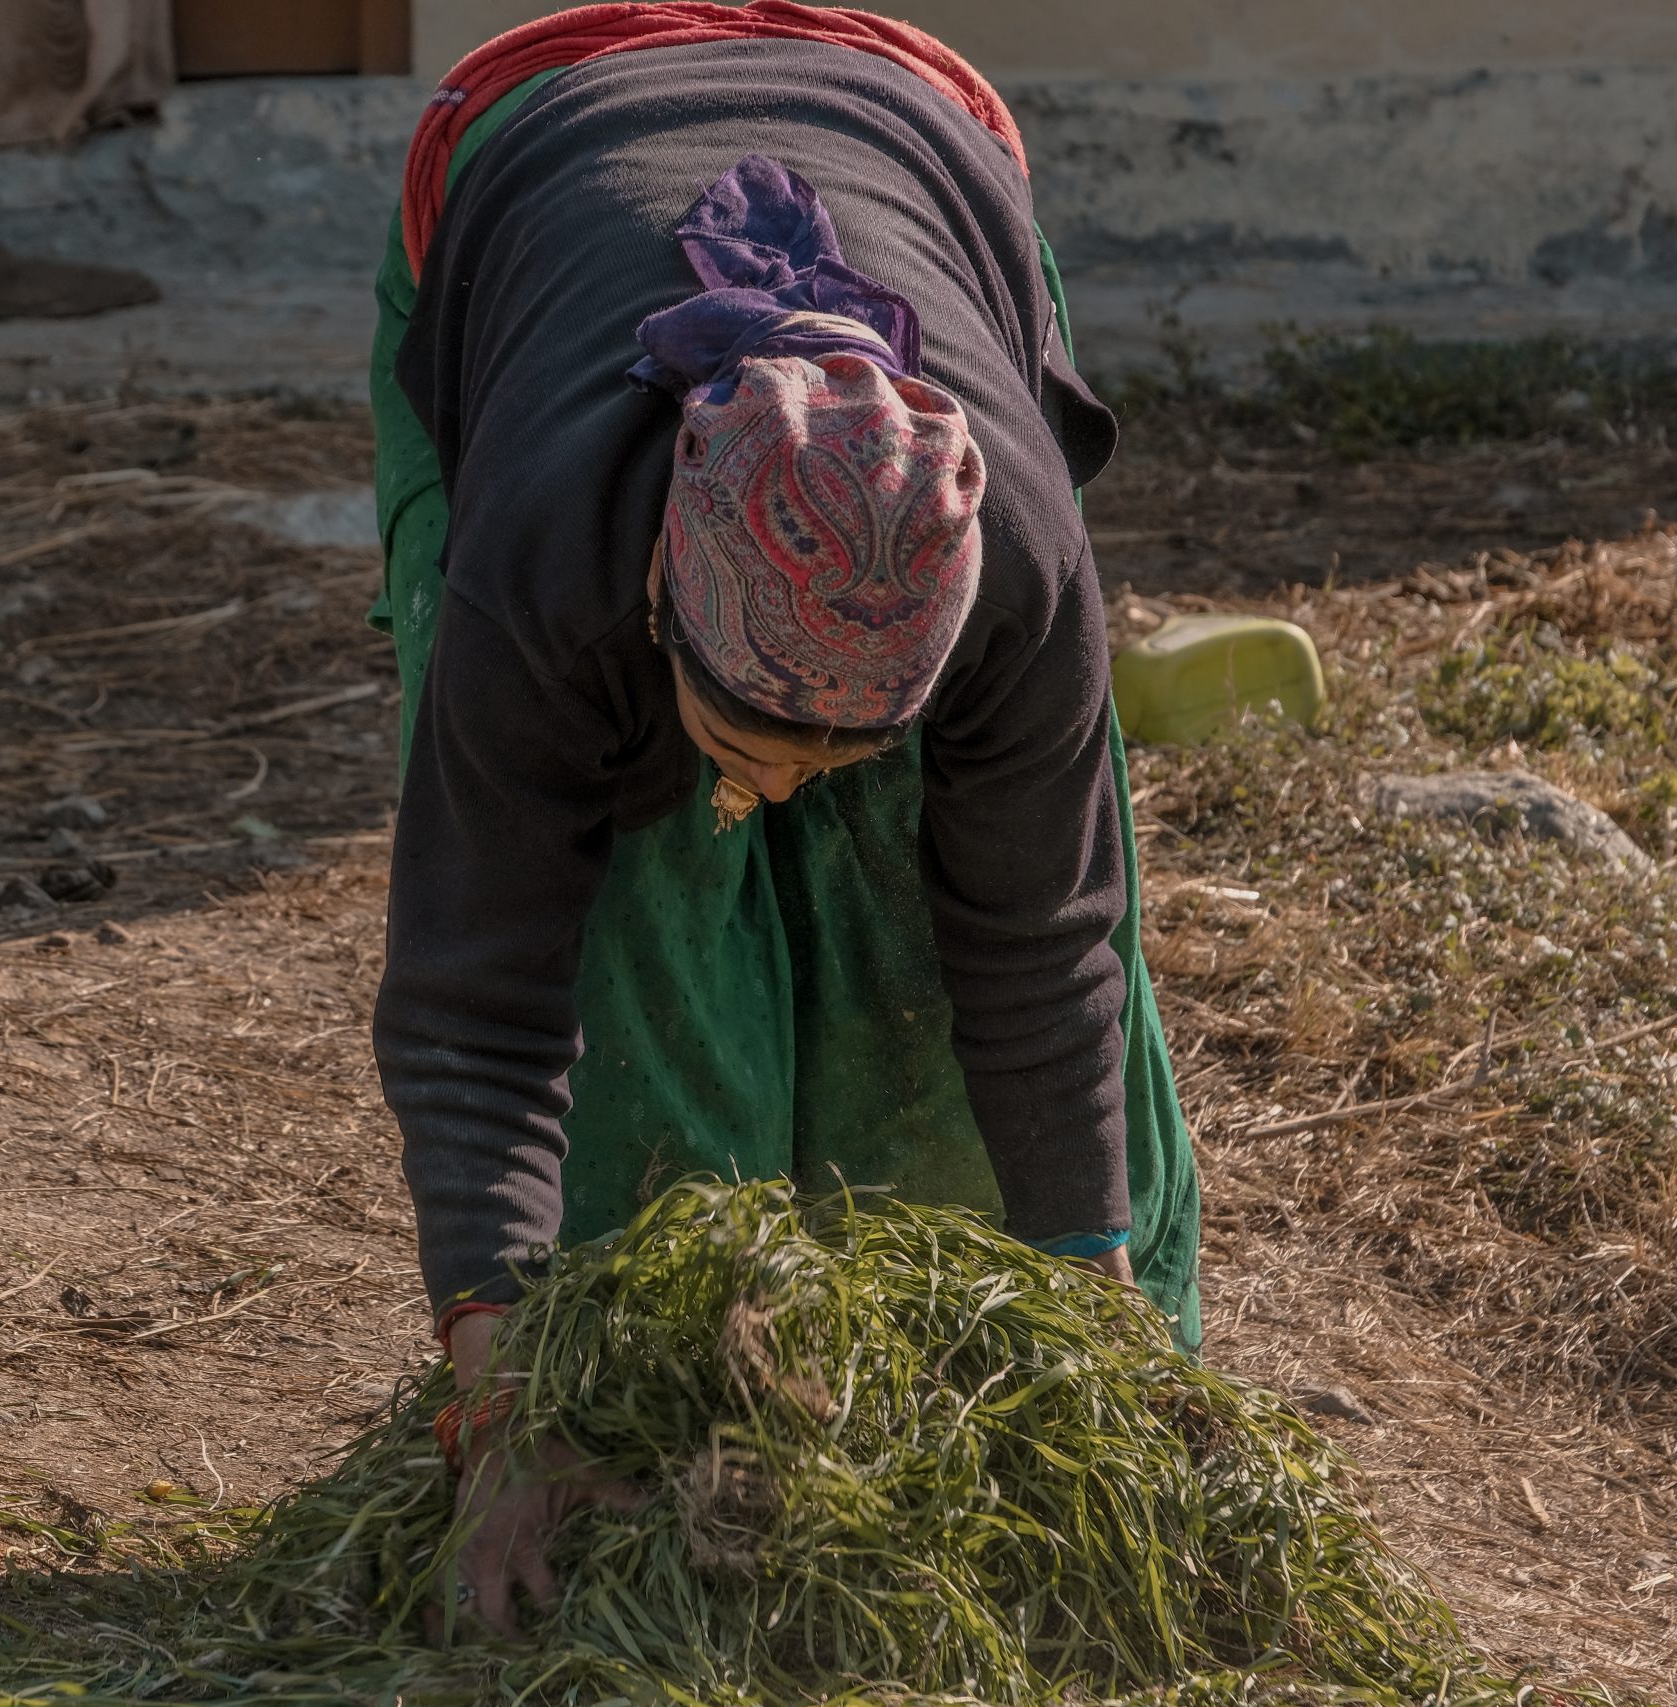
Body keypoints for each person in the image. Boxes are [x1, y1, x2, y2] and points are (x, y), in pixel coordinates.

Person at [365, 3, 1205, 1636]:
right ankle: (646, 1407)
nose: (762, 785)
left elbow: (1044, 951)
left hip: (920, 127)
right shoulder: (544, 566)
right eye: (745, 736)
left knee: (934, 906)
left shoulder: (1014, 566)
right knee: (637, 918)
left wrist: (1093, 1333)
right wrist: (500, 1389)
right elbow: (478, 1002)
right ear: (668, 612)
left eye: (827, 751)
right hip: (523, 142)